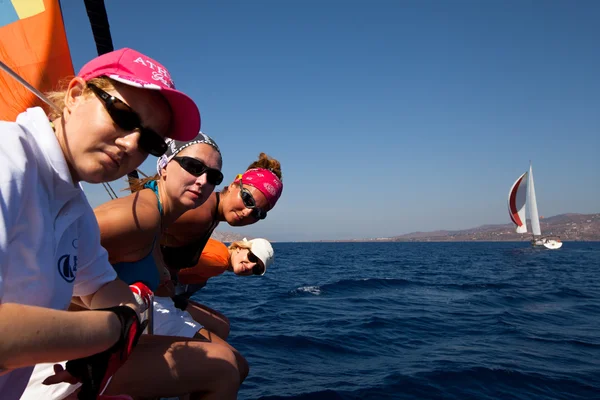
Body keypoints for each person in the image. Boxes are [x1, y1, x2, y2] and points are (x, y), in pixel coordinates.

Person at [0, 47, 200, 400]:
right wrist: (115, 328)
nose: (132, 144)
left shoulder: (71, 205)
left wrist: (121, 325)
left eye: (151, 142)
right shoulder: (8, 159)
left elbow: (100, 286)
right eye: (123, 116)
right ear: (76, 95)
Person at [22, 134, 243, 399]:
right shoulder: (140, 217)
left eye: (214, 177)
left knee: (231, 363)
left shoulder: (159, 219)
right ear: (164, 166)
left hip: (104, 339)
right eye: (193, 167)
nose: (203, 181)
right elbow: (45, 266)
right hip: (59, 354)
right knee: (222, 368)